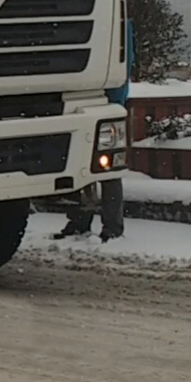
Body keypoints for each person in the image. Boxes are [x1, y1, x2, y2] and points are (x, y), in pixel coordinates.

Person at [57, 19, 133, 241]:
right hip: (90, 100)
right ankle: (85, 220)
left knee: (106, 168)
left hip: (104, 101)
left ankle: (108, 225)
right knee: (84, 164)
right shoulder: (116, 22)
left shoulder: (116, 22)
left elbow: (123, 62)